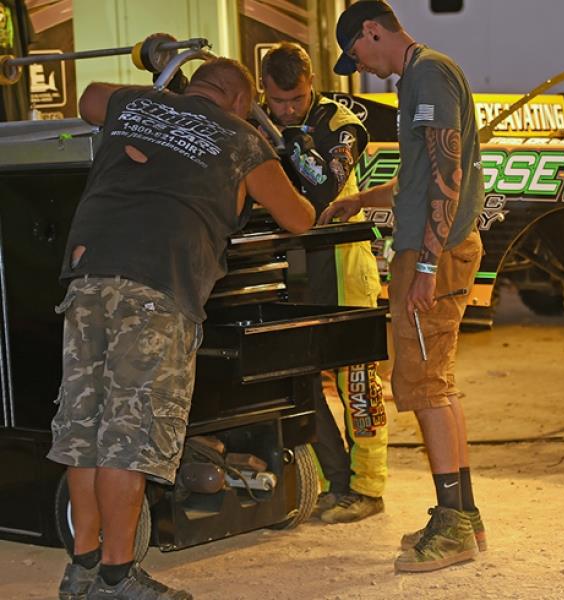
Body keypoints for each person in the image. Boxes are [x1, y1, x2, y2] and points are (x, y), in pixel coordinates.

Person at [48, 58, 315, 600]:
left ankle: (82, 567)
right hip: (156, 288)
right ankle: (117, 578)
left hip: (88, 278)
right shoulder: (241, 139)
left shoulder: (137, 103)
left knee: (85, 430)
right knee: (129, 440)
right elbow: (299, 217)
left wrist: (156, 103)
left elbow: (89, 97)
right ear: (241, 101)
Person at [321, 0, 486, 573]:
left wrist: (426, 266)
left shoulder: (428, 75)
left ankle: (454, 528)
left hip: (432, 253)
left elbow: (447, 174)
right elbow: (417, 179)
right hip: (434, 248)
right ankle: (464, 515)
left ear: (372, 31)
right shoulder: (423, 74)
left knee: (424, 388)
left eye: (357, 54)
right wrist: (360, 200)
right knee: (438, 382)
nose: (362, 67)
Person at [260, 42, 388, 524]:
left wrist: (282, 137)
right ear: (264, 90)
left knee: (358, 382)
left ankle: (368, 488)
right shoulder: (255, 121)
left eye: (296, 98)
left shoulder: (341, 124)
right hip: (287, 266)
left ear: (311, 83)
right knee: (298, 379)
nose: (287, 109)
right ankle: (335, 481)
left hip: (342, 262)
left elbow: (322, 187)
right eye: (277, 101)